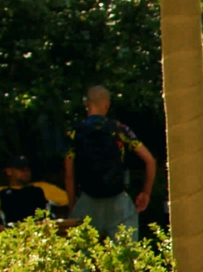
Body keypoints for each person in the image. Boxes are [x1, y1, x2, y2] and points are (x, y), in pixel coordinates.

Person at [64, 85, 157, 241]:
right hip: (118, 201)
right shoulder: (120, 130)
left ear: (87, 104)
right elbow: (150, 161)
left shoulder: (74, 132)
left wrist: (74, 206)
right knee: (126, 256)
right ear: (107, 105)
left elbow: (69, 174)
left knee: (83, 259)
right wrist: (145, 192)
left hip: (87, 200)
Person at [0, 154, 68, 229]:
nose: (26, 172)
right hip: (16, 238)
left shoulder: (42, 188)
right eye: (21, 169)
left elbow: (72, 202)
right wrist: (5, 231)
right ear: (9, 171)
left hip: (43, 235)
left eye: (28, 169)